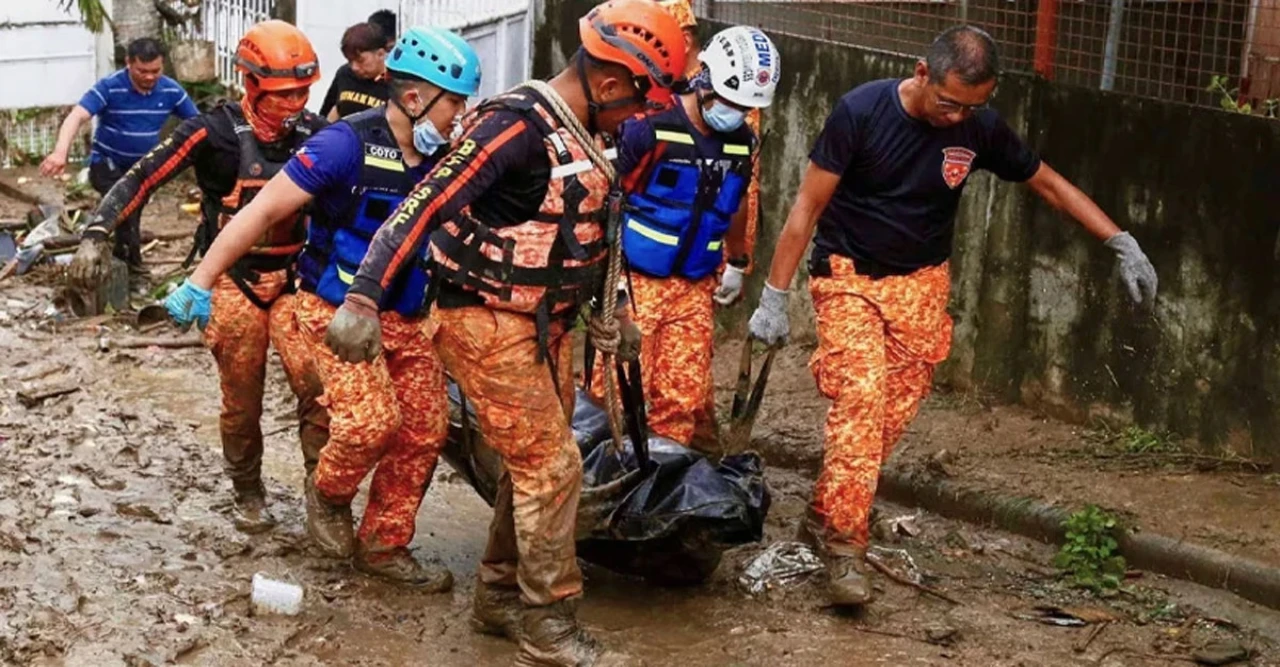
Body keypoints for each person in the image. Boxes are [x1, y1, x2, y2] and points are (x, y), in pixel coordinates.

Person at [746, 26, 1160, 608]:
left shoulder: (977, 127)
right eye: (949, 103)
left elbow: (1044, 181)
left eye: (974, 106)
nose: (957, 117)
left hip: (922, 283)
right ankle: (844, 547)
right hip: (849, 279)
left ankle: (826, 512)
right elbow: (807, 205)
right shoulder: (860, 111)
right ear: (922, 73)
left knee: (890, 416)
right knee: (861, 401)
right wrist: (773, 295)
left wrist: (1118, 239)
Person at [323, 1, 685, 662]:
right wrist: (365, 295)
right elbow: (425, 200)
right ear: (608, 84)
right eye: (639, 99)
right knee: (553, 463)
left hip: (541, 321)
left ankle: (498, 596)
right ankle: (548, 622)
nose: (642, 115)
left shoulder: (588, 132)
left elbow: (595, 225)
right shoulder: (513, 126)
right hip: (484, 319)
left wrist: (621, 309)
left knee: (533, 462)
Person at [169, 26, 482, 588]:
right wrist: (201, 279)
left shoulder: (451, 156)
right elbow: (260, 212)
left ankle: (384, 545)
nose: (460, 116)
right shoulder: (343, 145)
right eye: (454, 103)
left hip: (408, 316)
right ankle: (327, 495)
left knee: (425, 430)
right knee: (369, 424)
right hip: (334, 311)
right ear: (415, 99)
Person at [71, 20, 329, 535]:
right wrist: (97, 232)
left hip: (297, 277)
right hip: (232, 277)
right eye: (283, 93)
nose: (295, 102)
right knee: (241, 396)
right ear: (251, 83)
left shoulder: (318, 135)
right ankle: (247, 488)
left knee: (319, 388)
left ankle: (322, 494)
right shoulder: (212, 133)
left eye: (303, 91)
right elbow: (145, 175)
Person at [598, 26, 778, 450]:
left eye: (745, 106)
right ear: (705, 79)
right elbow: (602, 198)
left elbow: (735, 203)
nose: (735, 112)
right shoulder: (647, 129)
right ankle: (602, 489)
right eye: (730, 101)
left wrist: (737, 262)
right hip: (635, 281)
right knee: (616, 393)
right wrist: (608, 281)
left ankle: (658, 496)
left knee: (681, 399)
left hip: (695, 287)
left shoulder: (740, 143)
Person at [41, 38, 199, 277]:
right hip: (106, 164)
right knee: (126, 208)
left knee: (127, 212)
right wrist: (60, 152)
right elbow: (76, 116)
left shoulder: (170, 90)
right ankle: (130, 266)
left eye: (155, 71)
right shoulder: (110, 87)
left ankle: (117, 258)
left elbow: (198, 124)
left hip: (143, 170)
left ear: (162, 65)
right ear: (128, 63)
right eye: (142, 71)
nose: (149, 77)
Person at [318, 21, 391, 121]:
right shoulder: (344, 74)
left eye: (360, 60)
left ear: (380, 54)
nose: (354, 67)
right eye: (350, 61)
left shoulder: (395, 84)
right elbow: (326, 114)